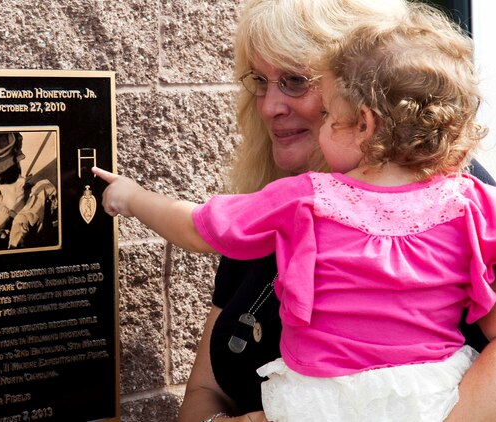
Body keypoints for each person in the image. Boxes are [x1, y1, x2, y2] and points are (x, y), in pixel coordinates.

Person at [92, 3, 496, 420]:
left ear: (363, 108)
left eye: (295, 81)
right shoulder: (280, 198)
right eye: (259, 82)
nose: (269, 106)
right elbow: (205, 388)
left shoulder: (463, 197)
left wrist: (134, 198)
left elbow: (193, 226)